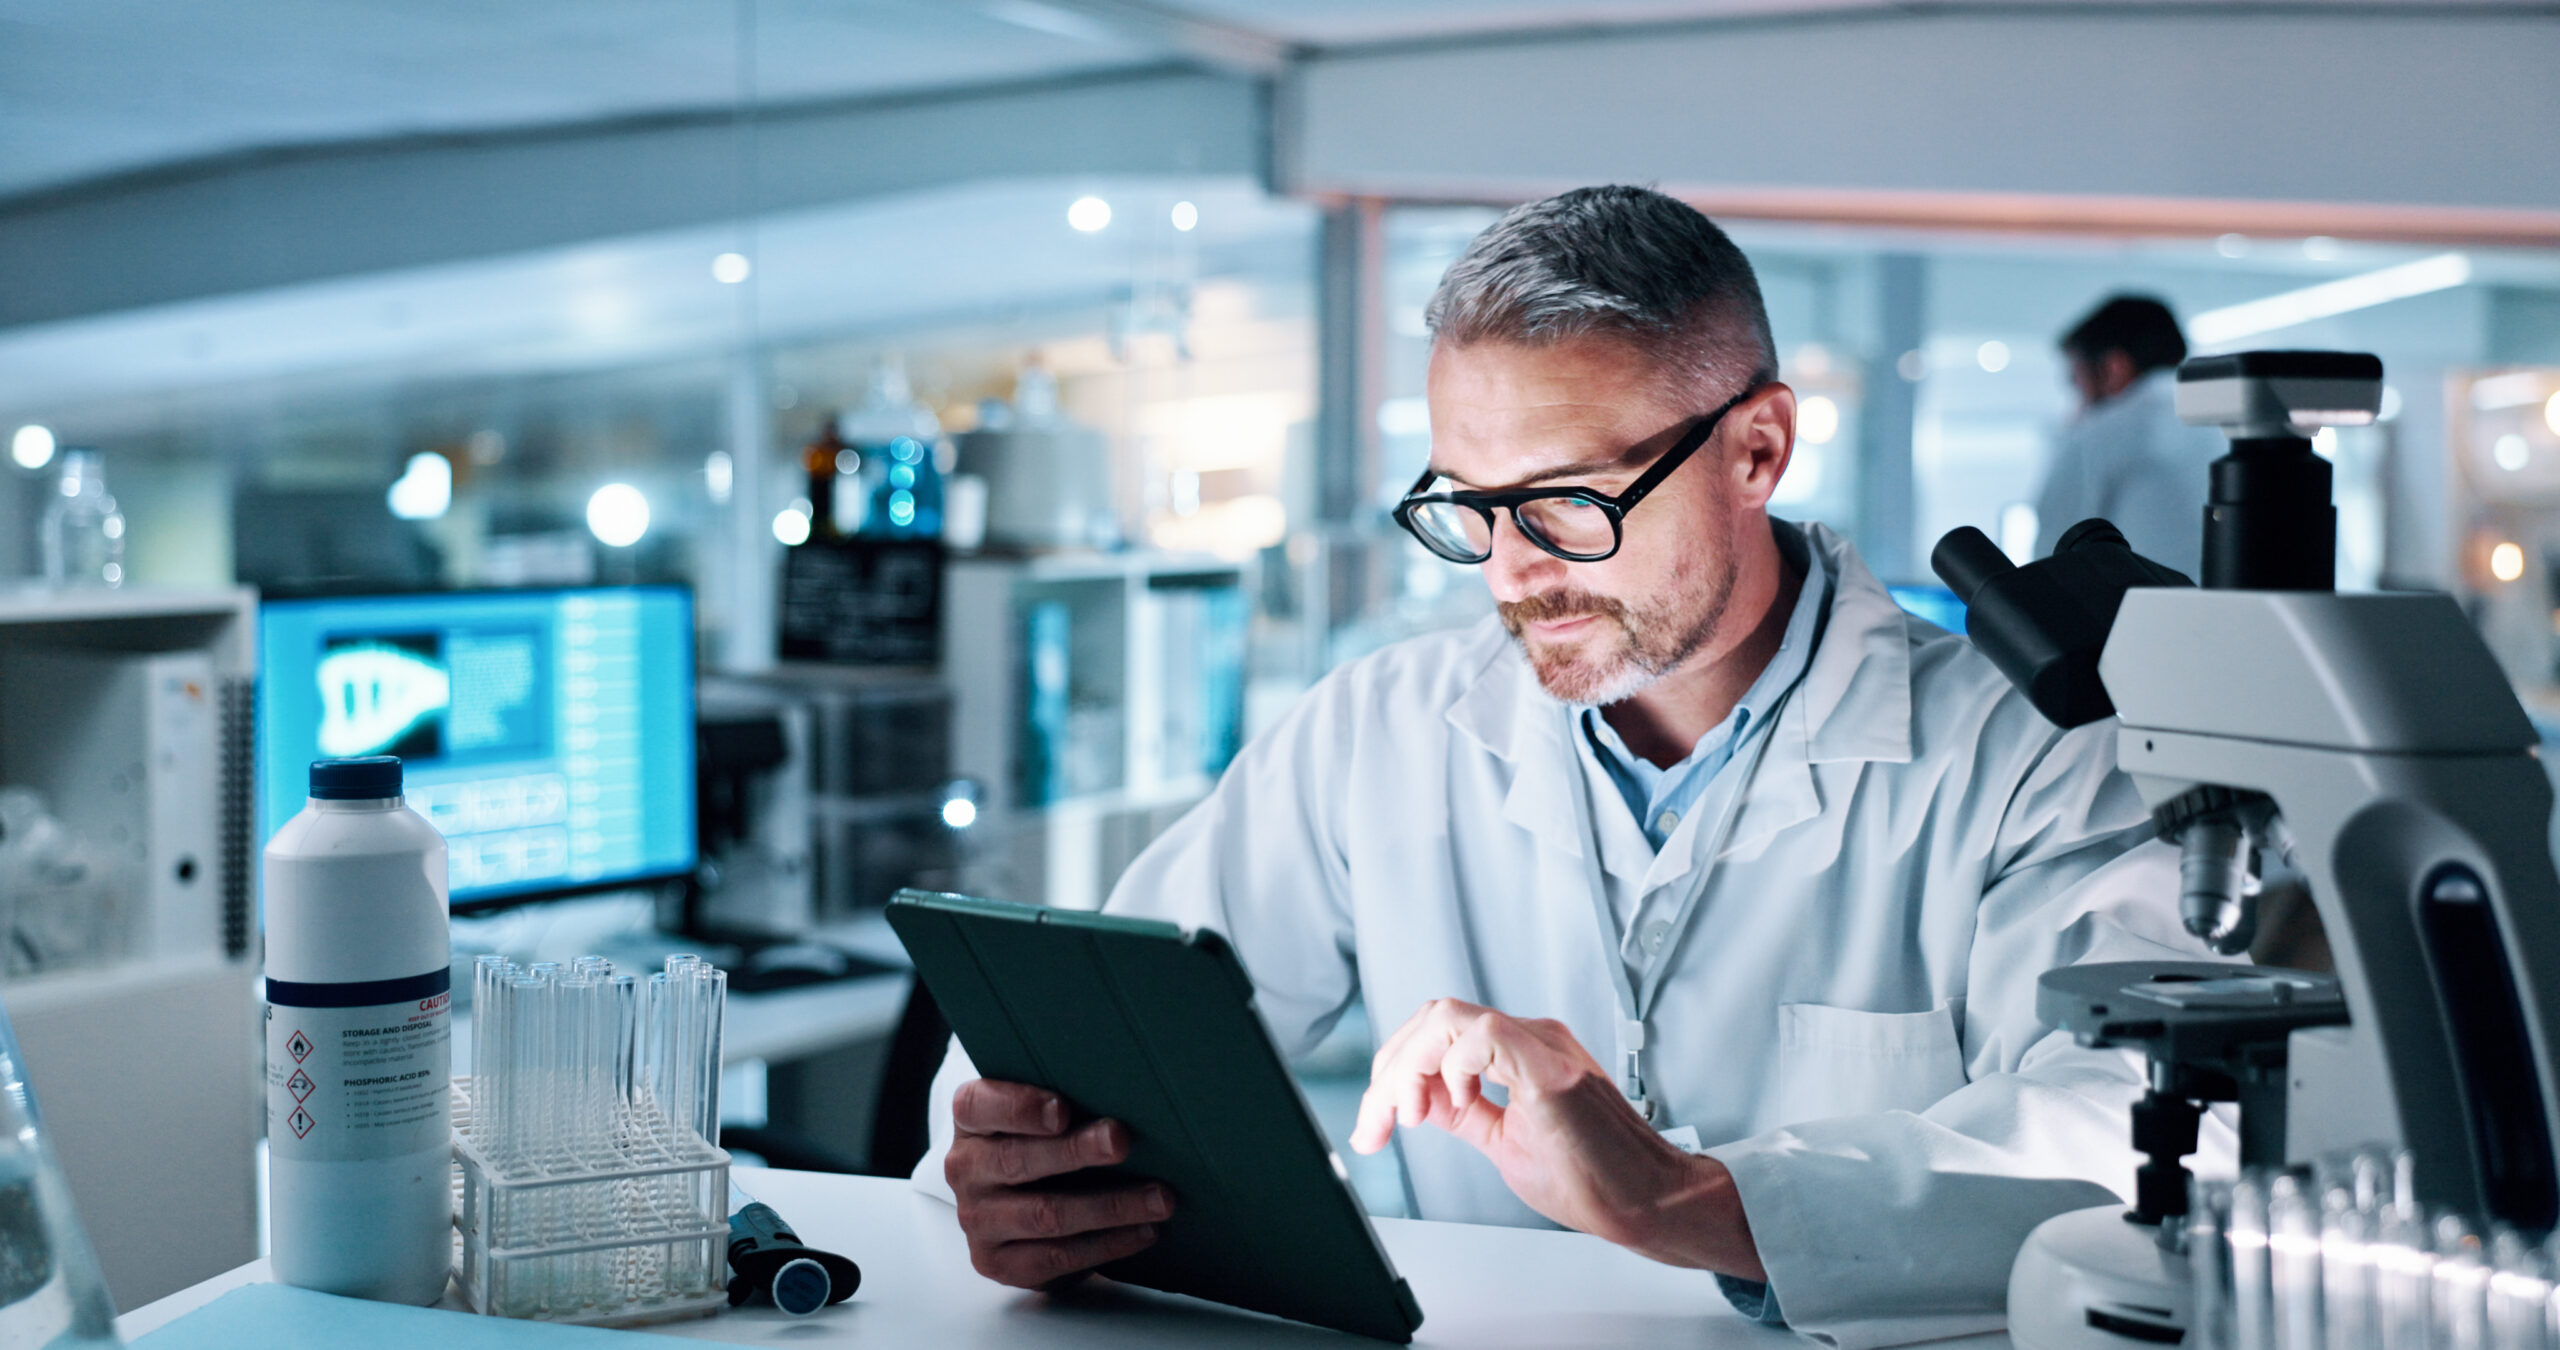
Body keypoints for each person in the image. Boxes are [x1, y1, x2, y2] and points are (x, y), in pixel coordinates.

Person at [915, 187, 2220, 1346]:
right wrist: (1012, 1156)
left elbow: (2144, 1135)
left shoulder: (2026, 754)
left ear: (1757, 448)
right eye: (1465, 505)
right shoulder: (1380, 726)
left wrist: (1694, 1199)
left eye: (1567, 501)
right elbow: (1101, 1016)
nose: (1509, 569)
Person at [2031, 294, 2228, 573]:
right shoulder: (2225, 426)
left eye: (2077, 380)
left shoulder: (2102, 435)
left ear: (2114, 367)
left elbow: (2051, 562)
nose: (2078, 401)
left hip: (2139, 614)